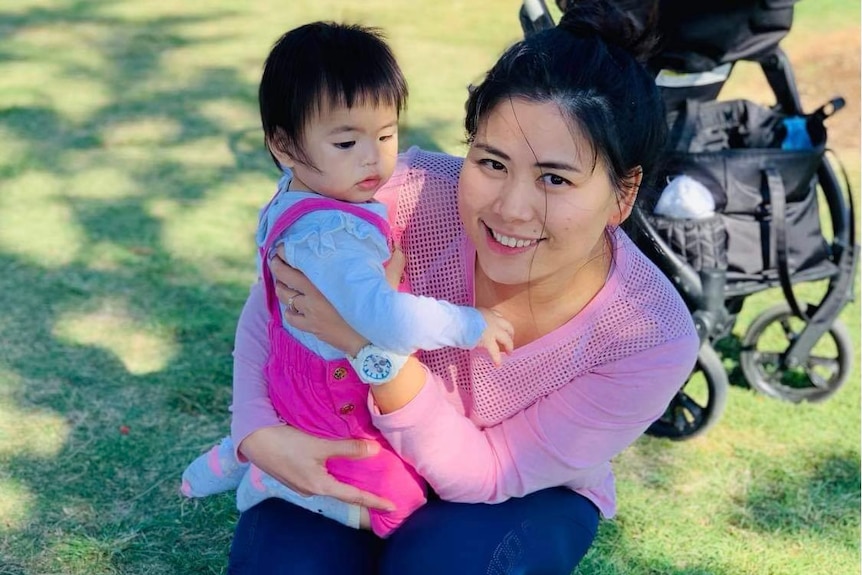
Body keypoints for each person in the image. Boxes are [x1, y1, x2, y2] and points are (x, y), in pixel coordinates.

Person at [228, 1, 701, 573]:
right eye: (492, 163)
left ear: (622, 196)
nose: (511, 208)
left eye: (555, 178)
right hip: (354, 446)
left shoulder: (650, 335)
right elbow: (279, 297)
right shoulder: (407, 191)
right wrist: (254, 431)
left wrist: (367, 343)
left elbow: (490, 472)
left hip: (520, 496)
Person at [180, 21, 514, 539]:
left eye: (385, 134)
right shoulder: (331, 232)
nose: (373, 157)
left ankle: (234, 456)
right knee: (400, 507)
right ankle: (275, 482)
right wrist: (470, 325)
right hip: (329, 397)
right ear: (285, 146)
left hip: (297, 376)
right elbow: (382, 317)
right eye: (345, 141)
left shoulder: (298, 197)